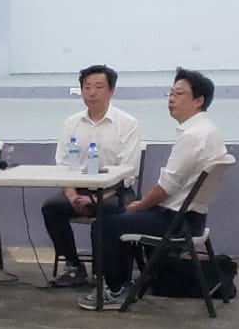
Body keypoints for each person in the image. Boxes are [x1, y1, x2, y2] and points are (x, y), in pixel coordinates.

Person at [81, 67, 226, 311]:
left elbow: (165, 187)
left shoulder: (193, 136)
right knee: (116, 217)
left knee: (104, 224)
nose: (171, 98)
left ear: (199, 101)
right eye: (170, 93)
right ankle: (123, 284)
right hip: (192, 217)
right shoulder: (207, 129)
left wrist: (140, 205)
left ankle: (115, 291)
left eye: (179, 94)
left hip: (176, 221)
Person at [41, 64, 141, 288]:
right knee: (51, 208)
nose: (92, 92)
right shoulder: (71, 123)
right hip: (78, 190)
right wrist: (72, 195)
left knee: (111, 214)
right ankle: (74, 266)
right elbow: (63, 165)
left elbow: (128, 171)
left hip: (115, 191)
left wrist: (96, 199)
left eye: (98, 87)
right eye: (87, 87)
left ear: (111, 91)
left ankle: (105, 273)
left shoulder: (127, 123)